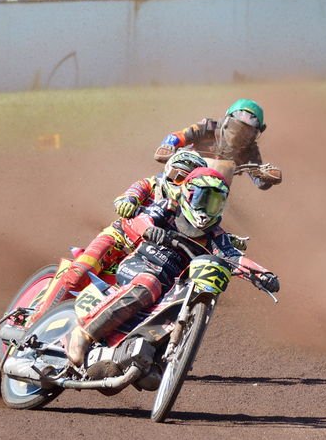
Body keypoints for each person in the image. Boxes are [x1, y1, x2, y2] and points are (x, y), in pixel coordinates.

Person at [65, 166, 280, 367]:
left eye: (214, 202)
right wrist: (149, 230)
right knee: (148, 285)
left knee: (180, 307)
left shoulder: (216, 235)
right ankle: (84, 333)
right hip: (140, 266)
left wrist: (263, 275)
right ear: (188, 194)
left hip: (170, 285)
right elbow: (141, 219)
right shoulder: (169, 209)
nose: (207, 207)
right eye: (203, 198)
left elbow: (234, 257)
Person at [30, 150, 211, 326]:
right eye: (176, 175)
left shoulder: (192, 212)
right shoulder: (150, 185)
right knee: (79, 272)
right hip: (118, 239)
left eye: (186, 181)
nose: (178, 183)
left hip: (148, 259)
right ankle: (35, 321)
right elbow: (129, 195)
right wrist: (127, 202)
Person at [153, 98, 282, 190]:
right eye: (236, 127)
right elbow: (178, 136)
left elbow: (258, 179)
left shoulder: (250, 150)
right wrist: (168, 146)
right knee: (158, 185)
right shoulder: (207, 127)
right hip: (183, 173)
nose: (239, 134)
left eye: (247, 132)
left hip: (215, 189)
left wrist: (266, 177)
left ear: (256, 133)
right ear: (226, 119)